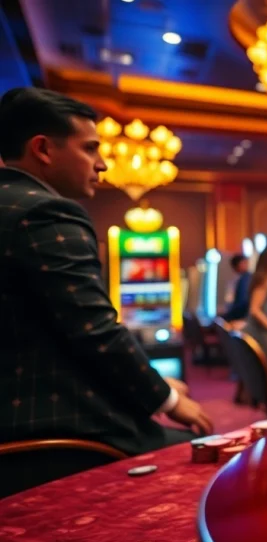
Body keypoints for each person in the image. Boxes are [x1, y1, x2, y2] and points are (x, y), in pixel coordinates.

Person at [0, 87, 212, 456]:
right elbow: (95, 333)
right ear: (43, 149)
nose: (102, 164)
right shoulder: (45, 212)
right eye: (90, 149)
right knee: (203, 452)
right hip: (49, 428)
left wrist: (156, 382)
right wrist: (167, 399)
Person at [221, 254, 251, 322]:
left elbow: (242, 302)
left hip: (241, 316)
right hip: (241, 315)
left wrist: (229, 314)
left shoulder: (245, 279)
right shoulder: (243, 278)